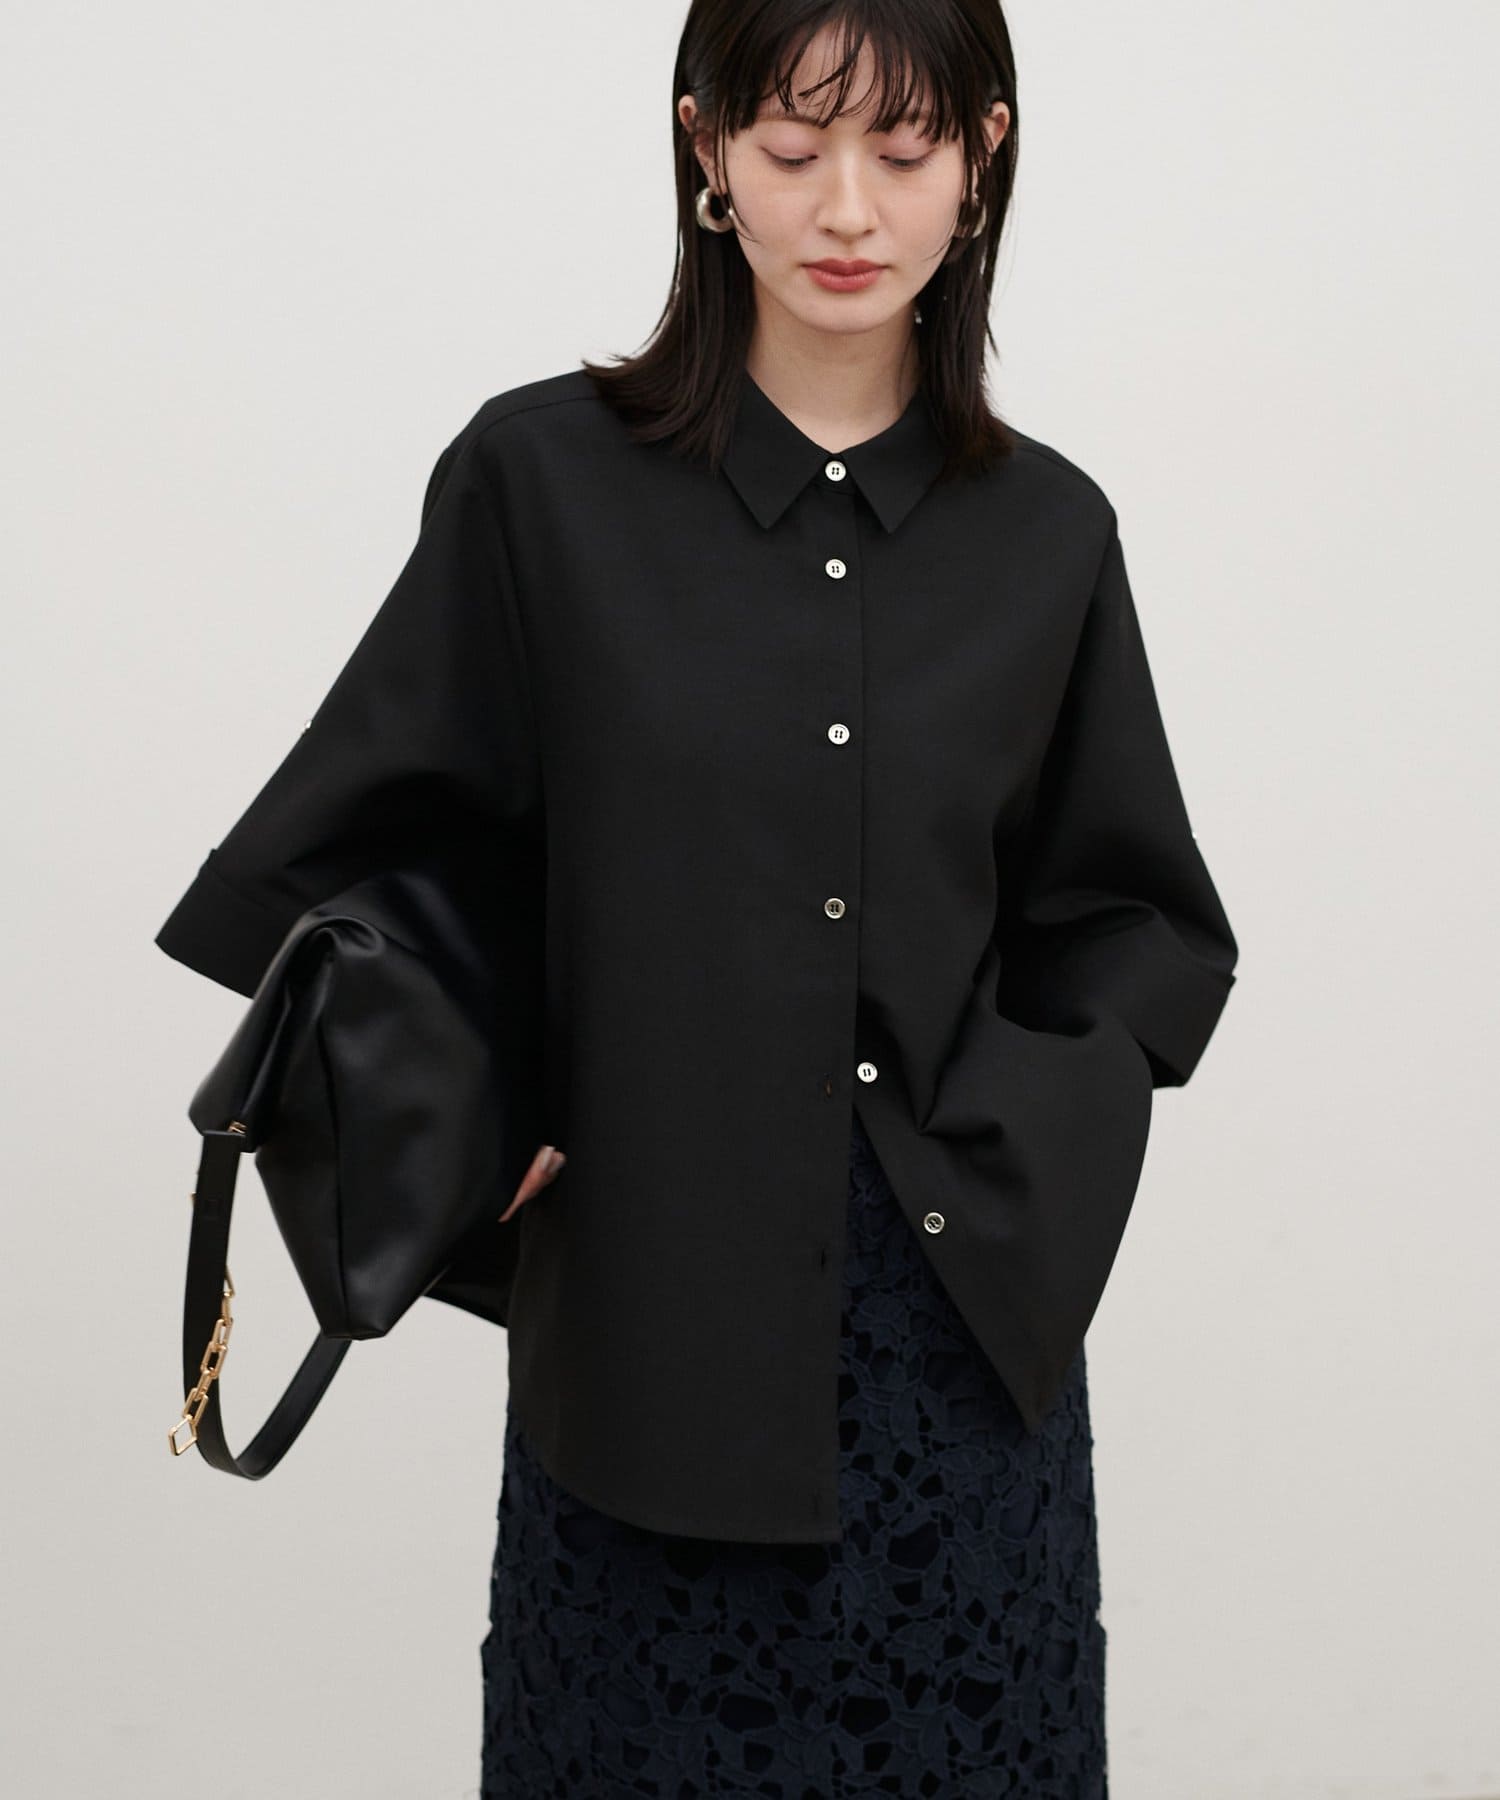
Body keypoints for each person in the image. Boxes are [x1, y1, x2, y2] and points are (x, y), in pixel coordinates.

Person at [155, 2, 1239, 1794]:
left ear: (980, 163)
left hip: (957, 1369)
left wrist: (1038, 1137)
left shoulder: (1051, 535)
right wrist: (485, 1093)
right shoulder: (538, 484)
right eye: (794, 148)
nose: (846, 208)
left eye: (902, 152)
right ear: (706, 147)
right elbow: (347, 854)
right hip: (643, 1348)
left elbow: (1136, 923)